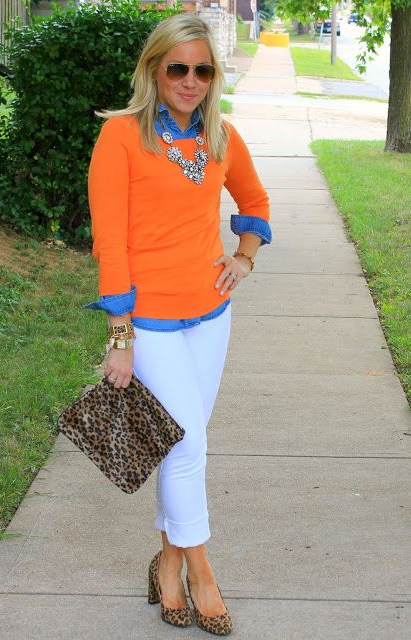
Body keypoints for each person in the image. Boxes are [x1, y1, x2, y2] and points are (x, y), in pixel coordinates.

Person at [83, 13, 271, 636]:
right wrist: (120, 337)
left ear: (213, 77)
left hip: (210, 316)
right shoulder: (120, 136)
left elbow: (255, 201)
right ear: (153, 69)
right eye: (178, 68)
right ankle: (201, 570)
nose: (190, 81)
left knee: (178, 446)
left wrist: (243, 256)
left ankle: (166, 566)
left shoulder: (221, 137)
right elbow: (111, 242)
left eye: (203, 70)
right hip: (152, 321)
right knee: (189, 443)